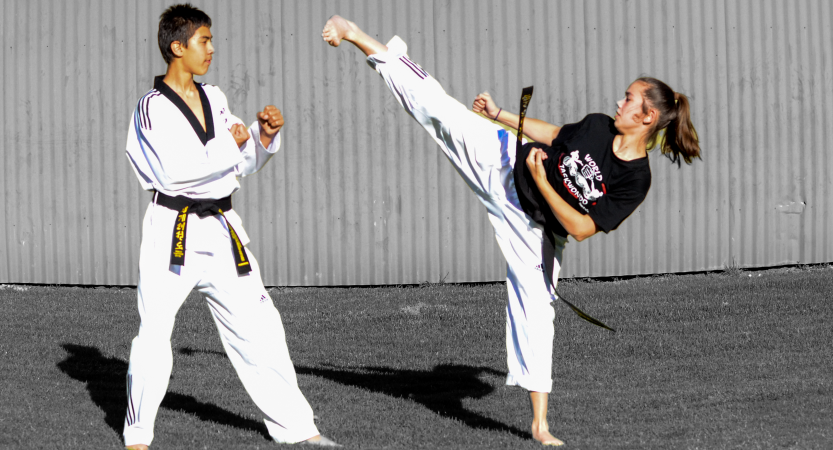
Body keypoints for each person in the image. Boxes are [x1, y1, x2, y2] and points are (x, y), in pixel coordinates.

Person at [321, 15, 700, 446]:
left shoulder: (636, 179)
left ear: (647, 116)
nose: (619, 101)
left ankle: (539, 425)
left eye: (629, 98)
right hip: (503, 164)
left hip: (536, 230)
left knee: (537, 311)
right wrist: (501, 115)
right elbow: (557, 135)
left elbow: (580, 228)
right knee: (442, 110)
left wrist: (542, 183)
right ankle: (355, 34)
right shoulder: (598, 125)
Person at [122, 5, 338, 449]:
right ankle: (138, 436)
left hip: (221, 227)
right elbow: (173, 173)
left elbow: (238, 164)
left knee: (262, 326)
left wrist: (262, 137)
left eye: (212, 40)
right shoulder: (151, 107)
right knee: (154, 334)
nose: (212, 49)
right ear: (177, 47)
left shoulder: (215, 97)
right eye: (204, 41)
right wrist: (230, 144)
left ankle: (298, 431)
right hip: (174, 228)